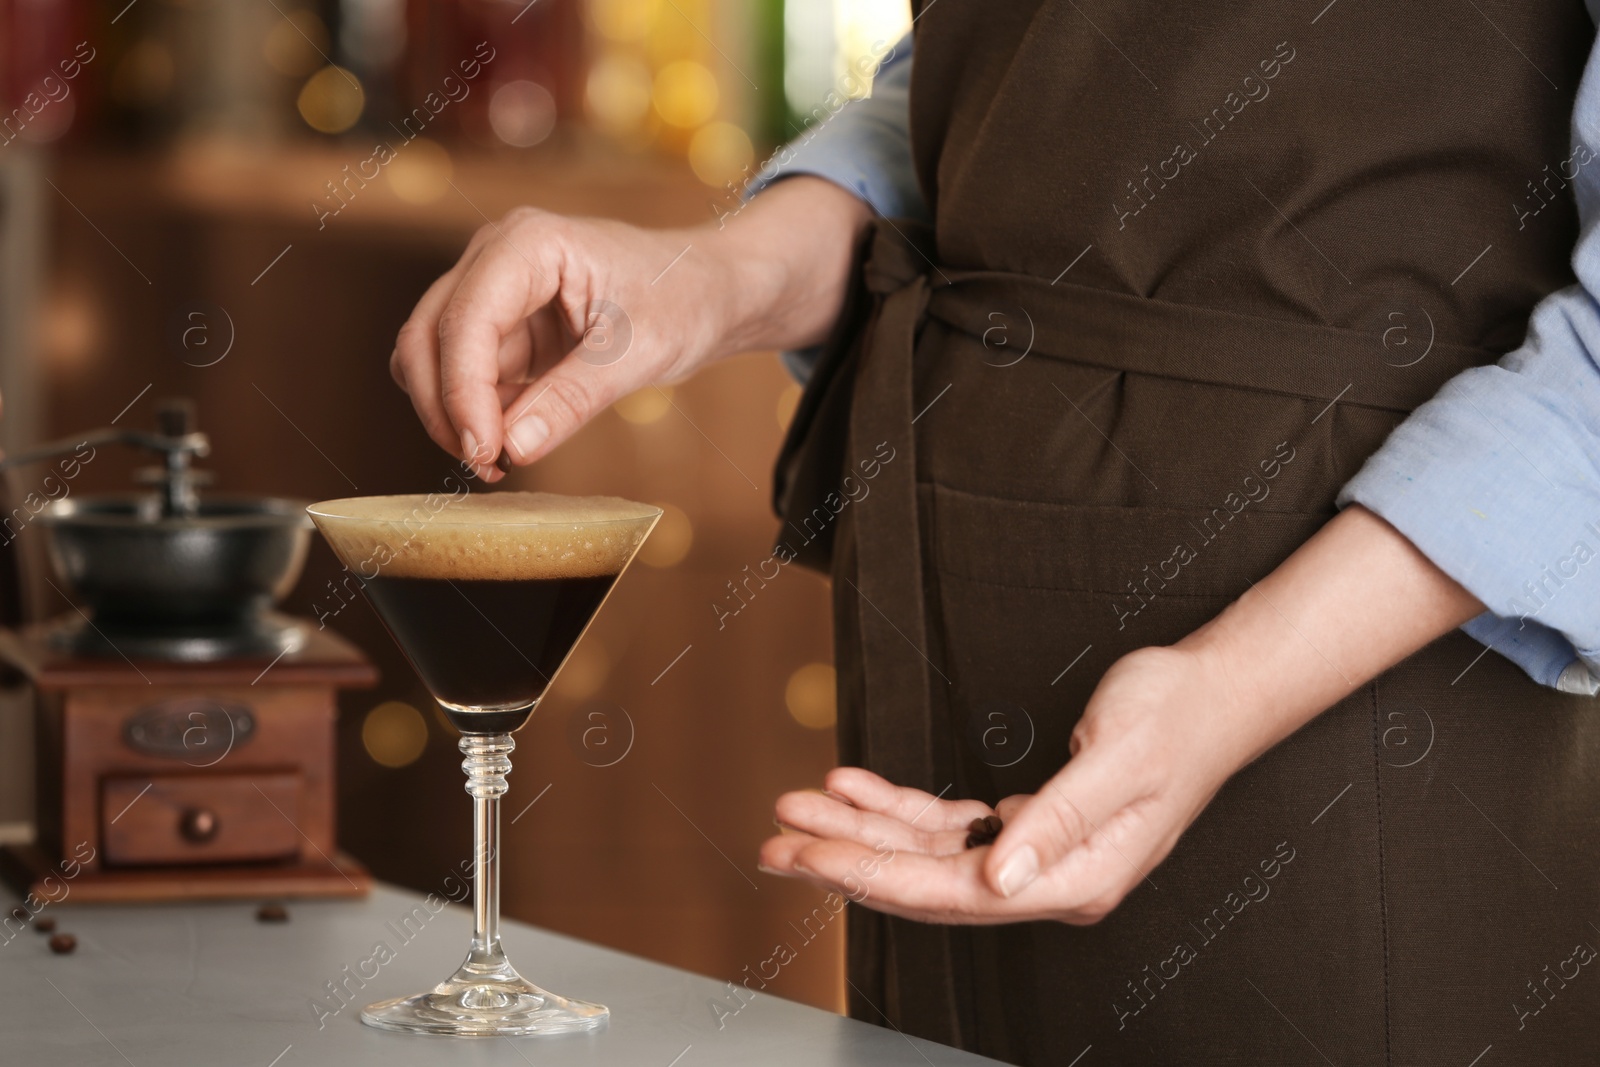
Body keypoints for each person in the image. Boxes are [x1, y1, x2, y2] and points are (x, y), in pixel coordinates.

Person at [389, 5, 1600, 1062]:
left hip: (1362, 722)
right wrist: (703, 282)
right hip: (946, 618)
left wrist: (1231, 689)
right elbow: (1005, 90)